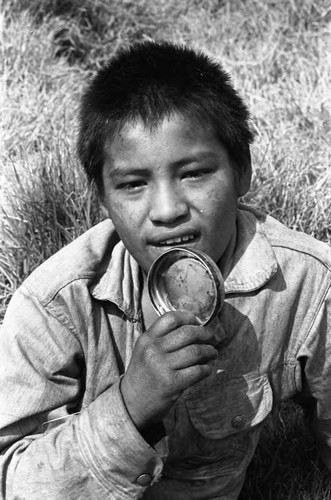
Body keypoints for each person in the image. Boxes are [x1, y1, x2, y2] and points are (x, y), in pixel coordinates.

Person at [0, 40, 330, 500]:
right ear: (103, 199)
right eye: (133, 184)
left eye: (194, 173)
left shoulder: (306, 283)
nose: (167, 210)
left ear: (242, 171)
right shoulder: (55, 307)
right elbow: (8, 479)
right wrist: (131, 404)